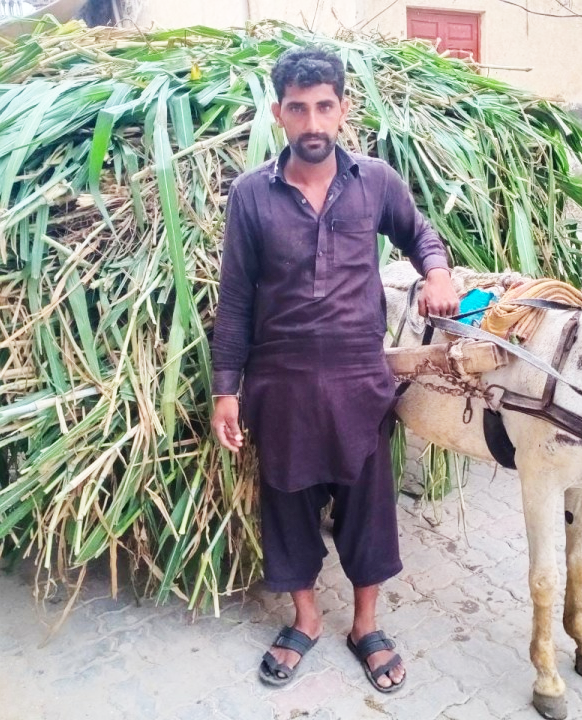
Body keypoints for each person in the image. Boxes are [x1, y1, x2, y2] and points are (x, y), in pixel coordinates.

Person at [210, 46, 459, 693]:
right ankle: (307, 618)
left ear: (344, 110)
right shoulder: (250, 196)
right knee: (287, 506)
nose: (313, 121)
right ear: (279, 114)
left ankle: (366, 625)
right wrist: (225, 392)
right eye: (299, 108)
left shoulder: (375, 181)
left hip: (359, 383)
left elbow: (421, 235)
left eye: (325, 106)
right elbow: (234, 300)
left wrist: (437, 274)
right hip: (281, 386)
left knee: (368, 509)